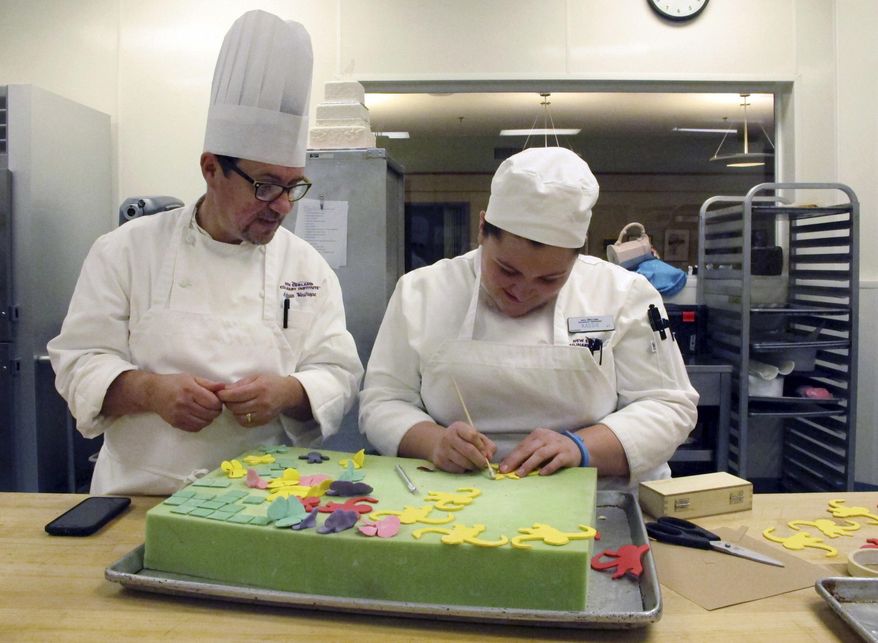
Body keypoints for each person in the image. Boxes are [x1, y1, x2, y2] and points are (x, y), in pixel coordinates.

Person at [48, 11, 363, 495]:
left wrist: (289, 392)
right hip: (136, 500)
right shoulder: (125, 251)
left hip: (261, 507)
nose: (281, 206)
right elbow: (78, 362)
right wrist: (150, 392)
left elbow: (338, 372)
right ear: (211, 168)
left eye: (293, 186)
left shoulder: (307, 268)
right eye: (264, 185)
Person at [359, 146, 698, 490]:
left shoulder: (624, 294)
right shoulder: (423, 291)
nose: (522, 291)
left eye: (550, 279)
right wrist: (432, 441)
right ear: (482, 230)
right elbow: (383, 400)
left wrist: (582, 447)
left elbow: (668, 406)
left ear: (577, 257)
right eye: (506, 270)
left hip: (596, 495)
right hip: (450, 496)